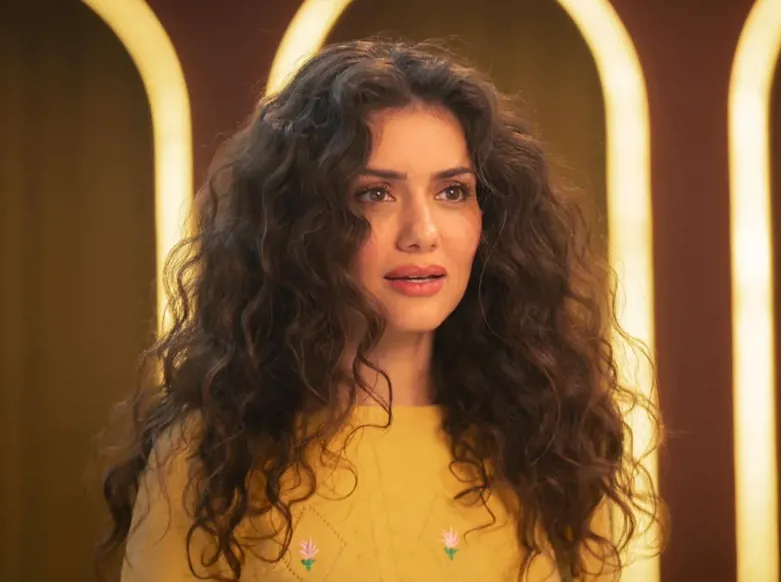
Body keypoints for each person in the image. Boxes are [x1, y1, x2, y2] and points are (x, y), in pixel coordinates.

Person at [98, 40, 663, 582]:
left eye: (452, 192)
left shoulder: (549, 441)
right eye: (376, 193)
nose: (422, 232)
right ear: (304, 227)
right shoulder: (212, 457)